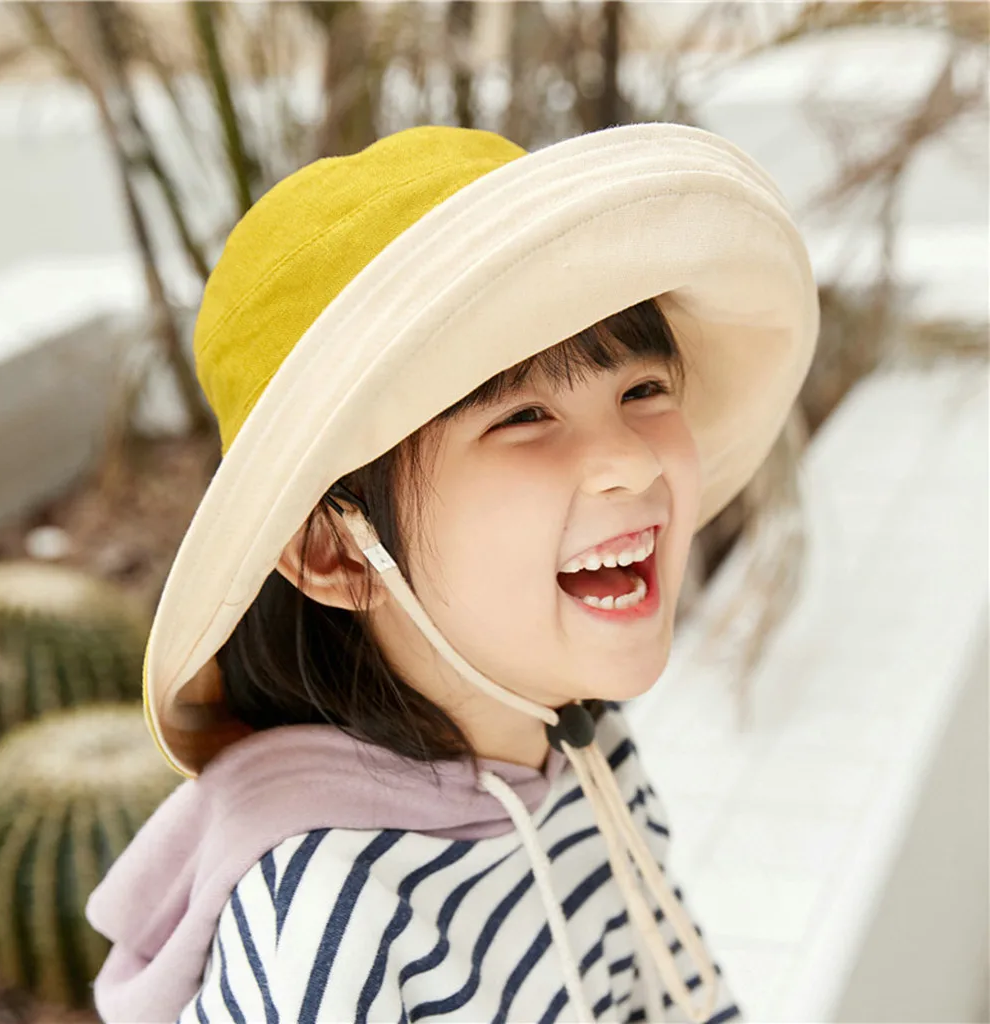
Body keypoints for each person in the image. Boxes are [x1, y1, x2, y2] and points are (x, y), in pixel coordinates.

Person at [86, 122, 818, 1023]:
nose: (631, 461)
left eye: (642, 390)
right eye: (523, 417)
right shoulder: (326, 927)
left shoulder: (586, 747)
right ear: (335, 551)